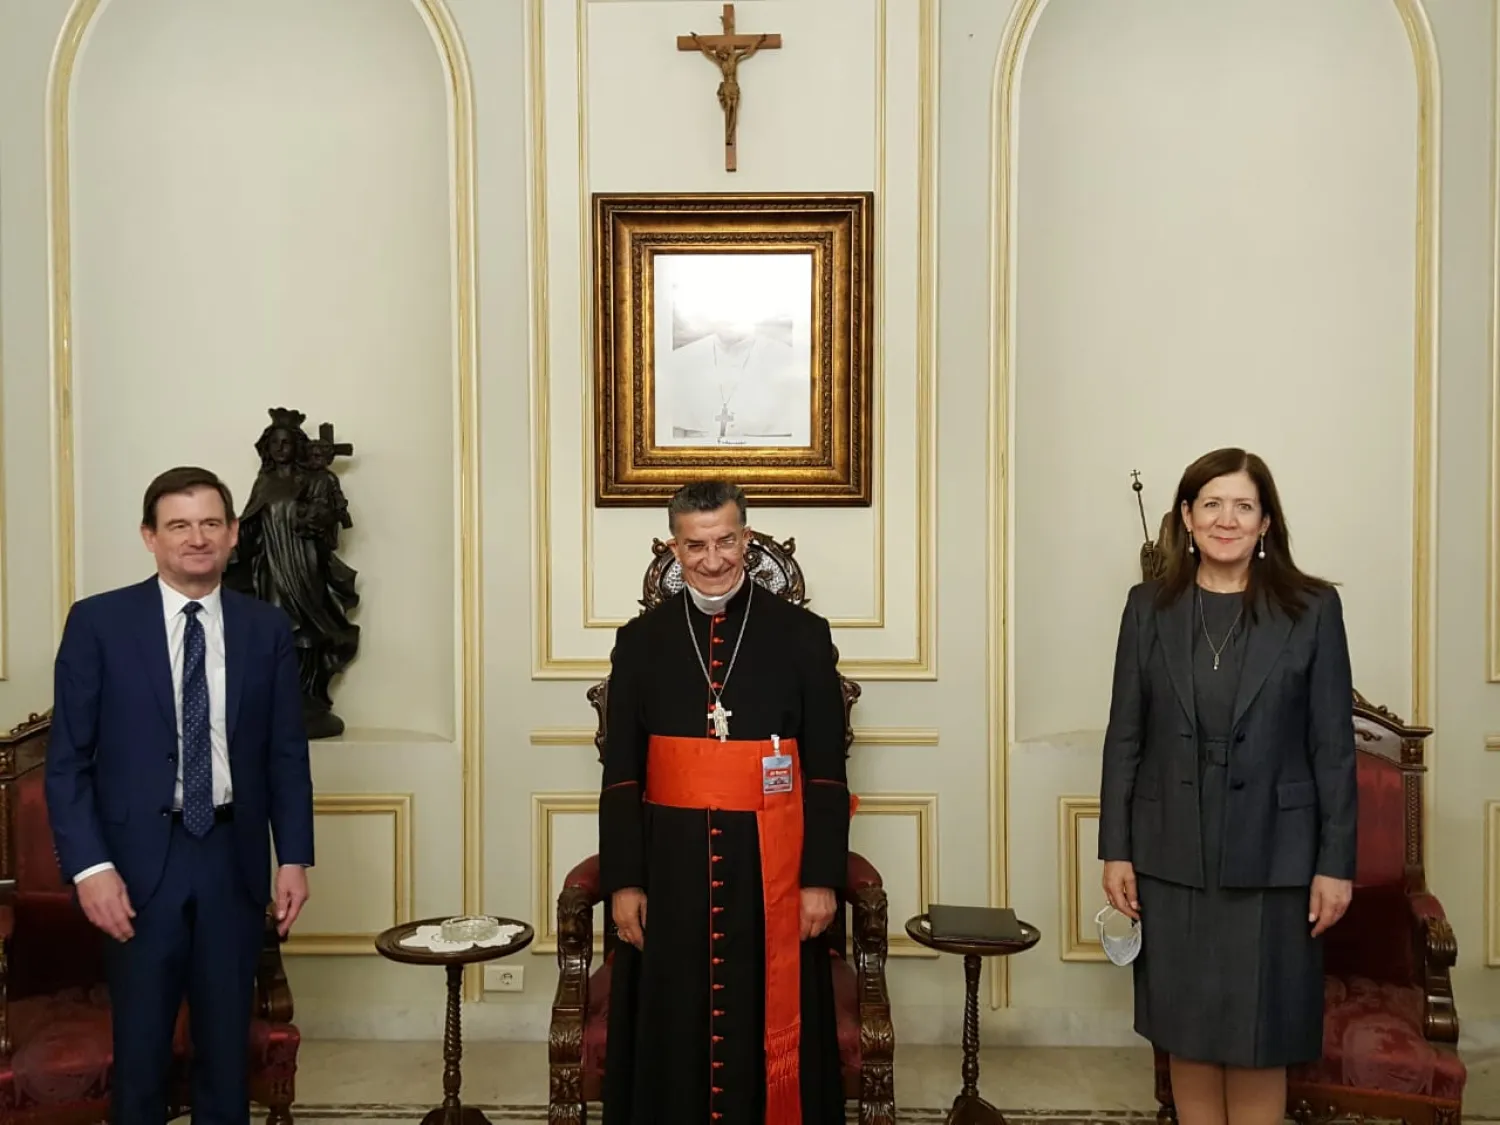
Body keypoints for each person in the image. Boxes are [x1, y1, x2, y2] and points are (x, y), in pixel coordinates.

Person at [46, 466, 315, 1125]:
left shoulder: (266, 628)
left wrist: (294, 857)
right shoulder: (99, 623)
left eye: (210, 523)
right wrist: (90, 868)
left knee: (227, 1057)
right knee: (141, 1058)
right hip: (135, 868)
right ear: (150, 537)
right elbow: (67, 763)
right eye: (179, 524)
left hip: (232, 859)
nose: (197, 537)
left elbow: (286, 752)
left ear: (231, 535)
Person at [1098, 448, 1357, 1125]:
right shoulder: (1147, 608)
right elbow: (1125, 733)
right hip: (1172, 852)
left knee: (1257, 1038)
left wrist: (1335, 864)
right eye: (1211, 503)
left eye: (1243, 505)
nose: (1226, 518)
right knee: (1189, 1033)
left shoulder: (1313, 609)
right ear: (1186, 516)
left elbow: (1333, 749)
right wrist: (1115, 848)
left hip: (1277, 859)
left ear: (1266, 521)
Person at [599, 479, 850, 1124]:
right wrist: (625, 881)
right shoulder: (640, 641)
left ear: (747, 538)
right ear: (673, 548)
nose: (713, 560)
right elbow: (622, 776)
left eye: (726, 541)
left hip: (770, 871)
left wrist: (820, 880)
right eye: (695, 547)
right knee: (675, 1019)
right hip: (670, 869)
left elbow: (825, 772)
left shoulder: (802, 635)